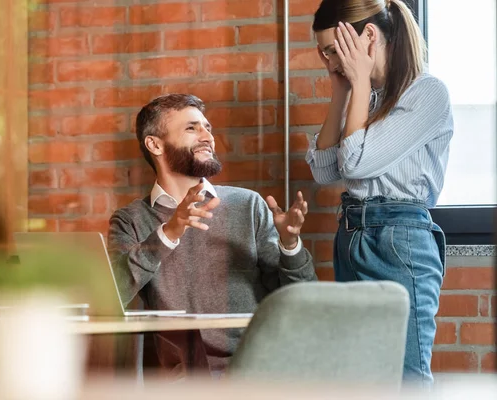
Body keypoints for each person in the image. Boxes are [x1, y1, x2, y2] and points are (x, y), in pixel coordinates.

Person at [108, 93, 316, 378]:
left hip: (255, 372)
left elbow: (299, 298)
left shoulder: (248, 204)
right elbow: (111, 296)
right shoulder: (131, 220)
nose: (207, 136)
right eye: (192, 128)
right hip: (181, 380)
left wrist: (290, 246)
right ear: (155, 144)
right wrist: (168, 234)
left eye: (208, 128)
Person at [306, 0, 453, 386]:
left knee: (405, 379)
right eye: (324, 53)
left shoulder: (426, 94)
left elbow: (353, 164)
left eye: (334, 50)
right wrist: (342, 91)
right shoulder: (364, 99)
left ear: (368, 36)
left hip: (399, 239)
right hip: (351, 236)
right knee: (361, 380)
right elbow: (324, 170)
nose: (330, 61)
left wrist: (355, 84)